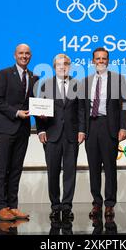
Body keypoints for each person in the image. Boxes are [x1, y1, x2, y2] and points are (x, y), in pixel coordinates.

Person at [36, 54, 86, 222]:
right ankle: (55, 206)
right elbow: (39, 109)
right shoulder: (45, 85)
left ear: (69, 66)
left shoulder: (77, 85)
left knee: (70, 172)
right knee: (53, 172)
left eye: (65, 64)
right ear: (54, 66)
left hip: (72, 135)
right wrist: (40, 130)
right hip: (51, 134)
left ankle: (67, 206)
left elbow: (81, 110)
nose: (62, 67)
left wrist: (82, 130)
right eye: (59, 64)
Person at [0, 43, 38, 221]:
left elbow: (35, 102)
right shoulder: (4, 74)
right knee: (2, 169)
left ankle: (13, 206)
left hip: (23, 130)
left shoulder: (34, 77)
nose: (24, 56)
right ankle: (2, 207)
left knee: (16, 169)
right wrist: (16, 113)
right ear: (14, 55)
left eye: (27, 53)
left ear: (31, 56)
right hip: (5, 128)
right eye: (21, 53)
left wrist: (41, 111)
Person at [82, 47, 126, 219]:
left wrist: (124, 127)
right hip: (91, 127)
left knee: (110, 168)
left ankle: (110, 204)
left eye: (104, 58)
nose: (101, 61)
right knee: (93, 168)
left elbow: (124, 105)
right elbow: (82, 108)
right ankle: (96, 203)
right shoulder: (85, 81)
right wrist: (82, 130)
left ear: (108, 61)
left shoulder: (118, 79)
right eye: (98, 58)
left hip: (110, 127)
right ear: (92, 61)